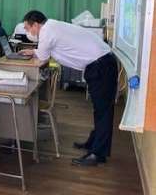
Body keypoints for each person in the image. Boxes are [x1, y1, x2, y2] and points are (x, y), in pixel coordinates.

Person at [22, 10, 118, 167]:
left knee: (103, 111)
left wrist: (33, 54)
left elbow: (43, 57)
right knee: (100, 110)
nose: (28, 31)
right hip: (101, 63)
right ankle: (94, 143)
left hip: (101, 66)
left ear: (36, 25)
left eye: (28, 28)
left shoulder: (46, 32)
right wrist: (34, 51)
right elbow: (45, 51)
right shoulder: (52, 25)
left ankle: (97, 154)